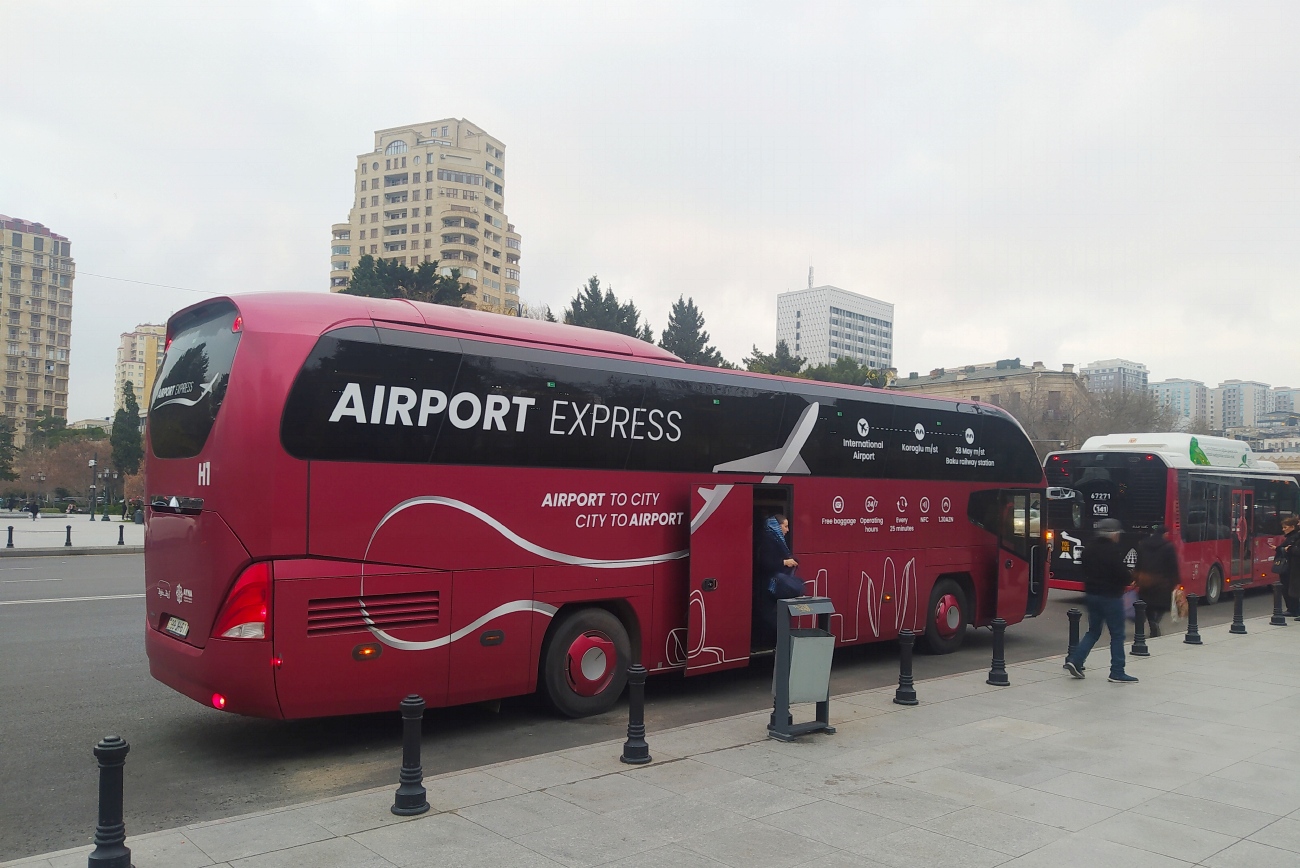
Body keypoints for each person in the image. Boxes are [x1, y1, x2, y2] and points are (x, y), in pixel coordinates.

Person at [1064, 518, 1138, 683]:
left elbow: (1083, 569)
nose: (1119, 536)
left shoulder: (1088, 549)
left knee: (1093, 631)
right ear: (1113, 534)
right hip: (1110, 597)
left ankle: (1075, 661)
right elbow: (1120, 574)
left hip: (1092, 595)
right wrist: (1129, 577)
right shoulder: (1112, 551)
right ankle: (1117, 671)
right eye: (1118, 533)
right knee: (1117, 634)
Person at [753, 513, 800, 647]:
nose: (787, 530)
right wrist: (784, 562)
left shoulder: (773, 538)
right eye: (785, 526)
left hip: (768, 585)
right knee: (770, 618)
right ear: (777, 526)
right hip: (767, 586)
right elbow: (765, 562)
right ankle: (770, 645)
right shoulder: (768, 540)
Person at [1134, 525, 1179, 637]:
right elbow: (1173, 566)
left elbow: (1138, 562)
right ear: (1164, 534)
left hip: (1146, 580)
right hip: (1162, 581)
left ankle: (1152, 622)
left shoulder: (1143, 544)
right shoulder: (1168, 546)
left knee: (1148, 604)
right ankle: (1155, 622)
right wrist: (1176, 581)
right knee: (1162, 605)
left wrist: (1136, 578)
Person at [1277, 516, 1300, 618]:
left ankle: (1294, 609)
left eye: (1285, 527)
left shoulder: (1295, 536)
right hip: (1292, 566)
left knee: (1291, 588)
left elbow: (1296, 550)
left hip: (1293, 567)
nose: (1298, 524)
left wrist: (1289, 549)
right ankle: (1293, 609)